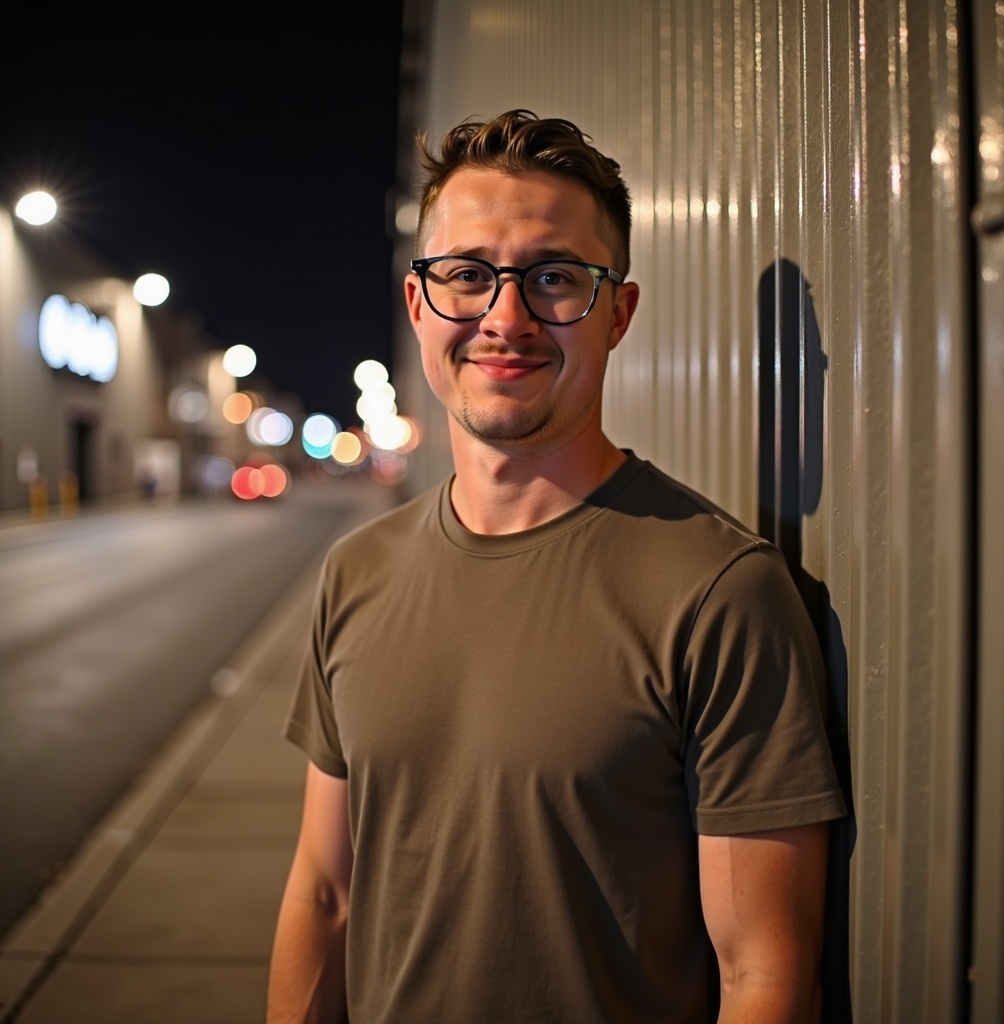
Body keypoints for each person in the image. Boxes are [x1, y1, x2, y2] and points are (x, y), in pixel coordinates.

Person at [267, 109, 846, 1024]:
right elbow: (324, 894)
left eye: (553, 279)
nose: (506, 318)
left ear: (616, 313)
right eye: (466, 276)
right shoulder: (356, 573)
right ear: (419, 305)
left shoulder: (719, 592)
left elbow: (763, 975)